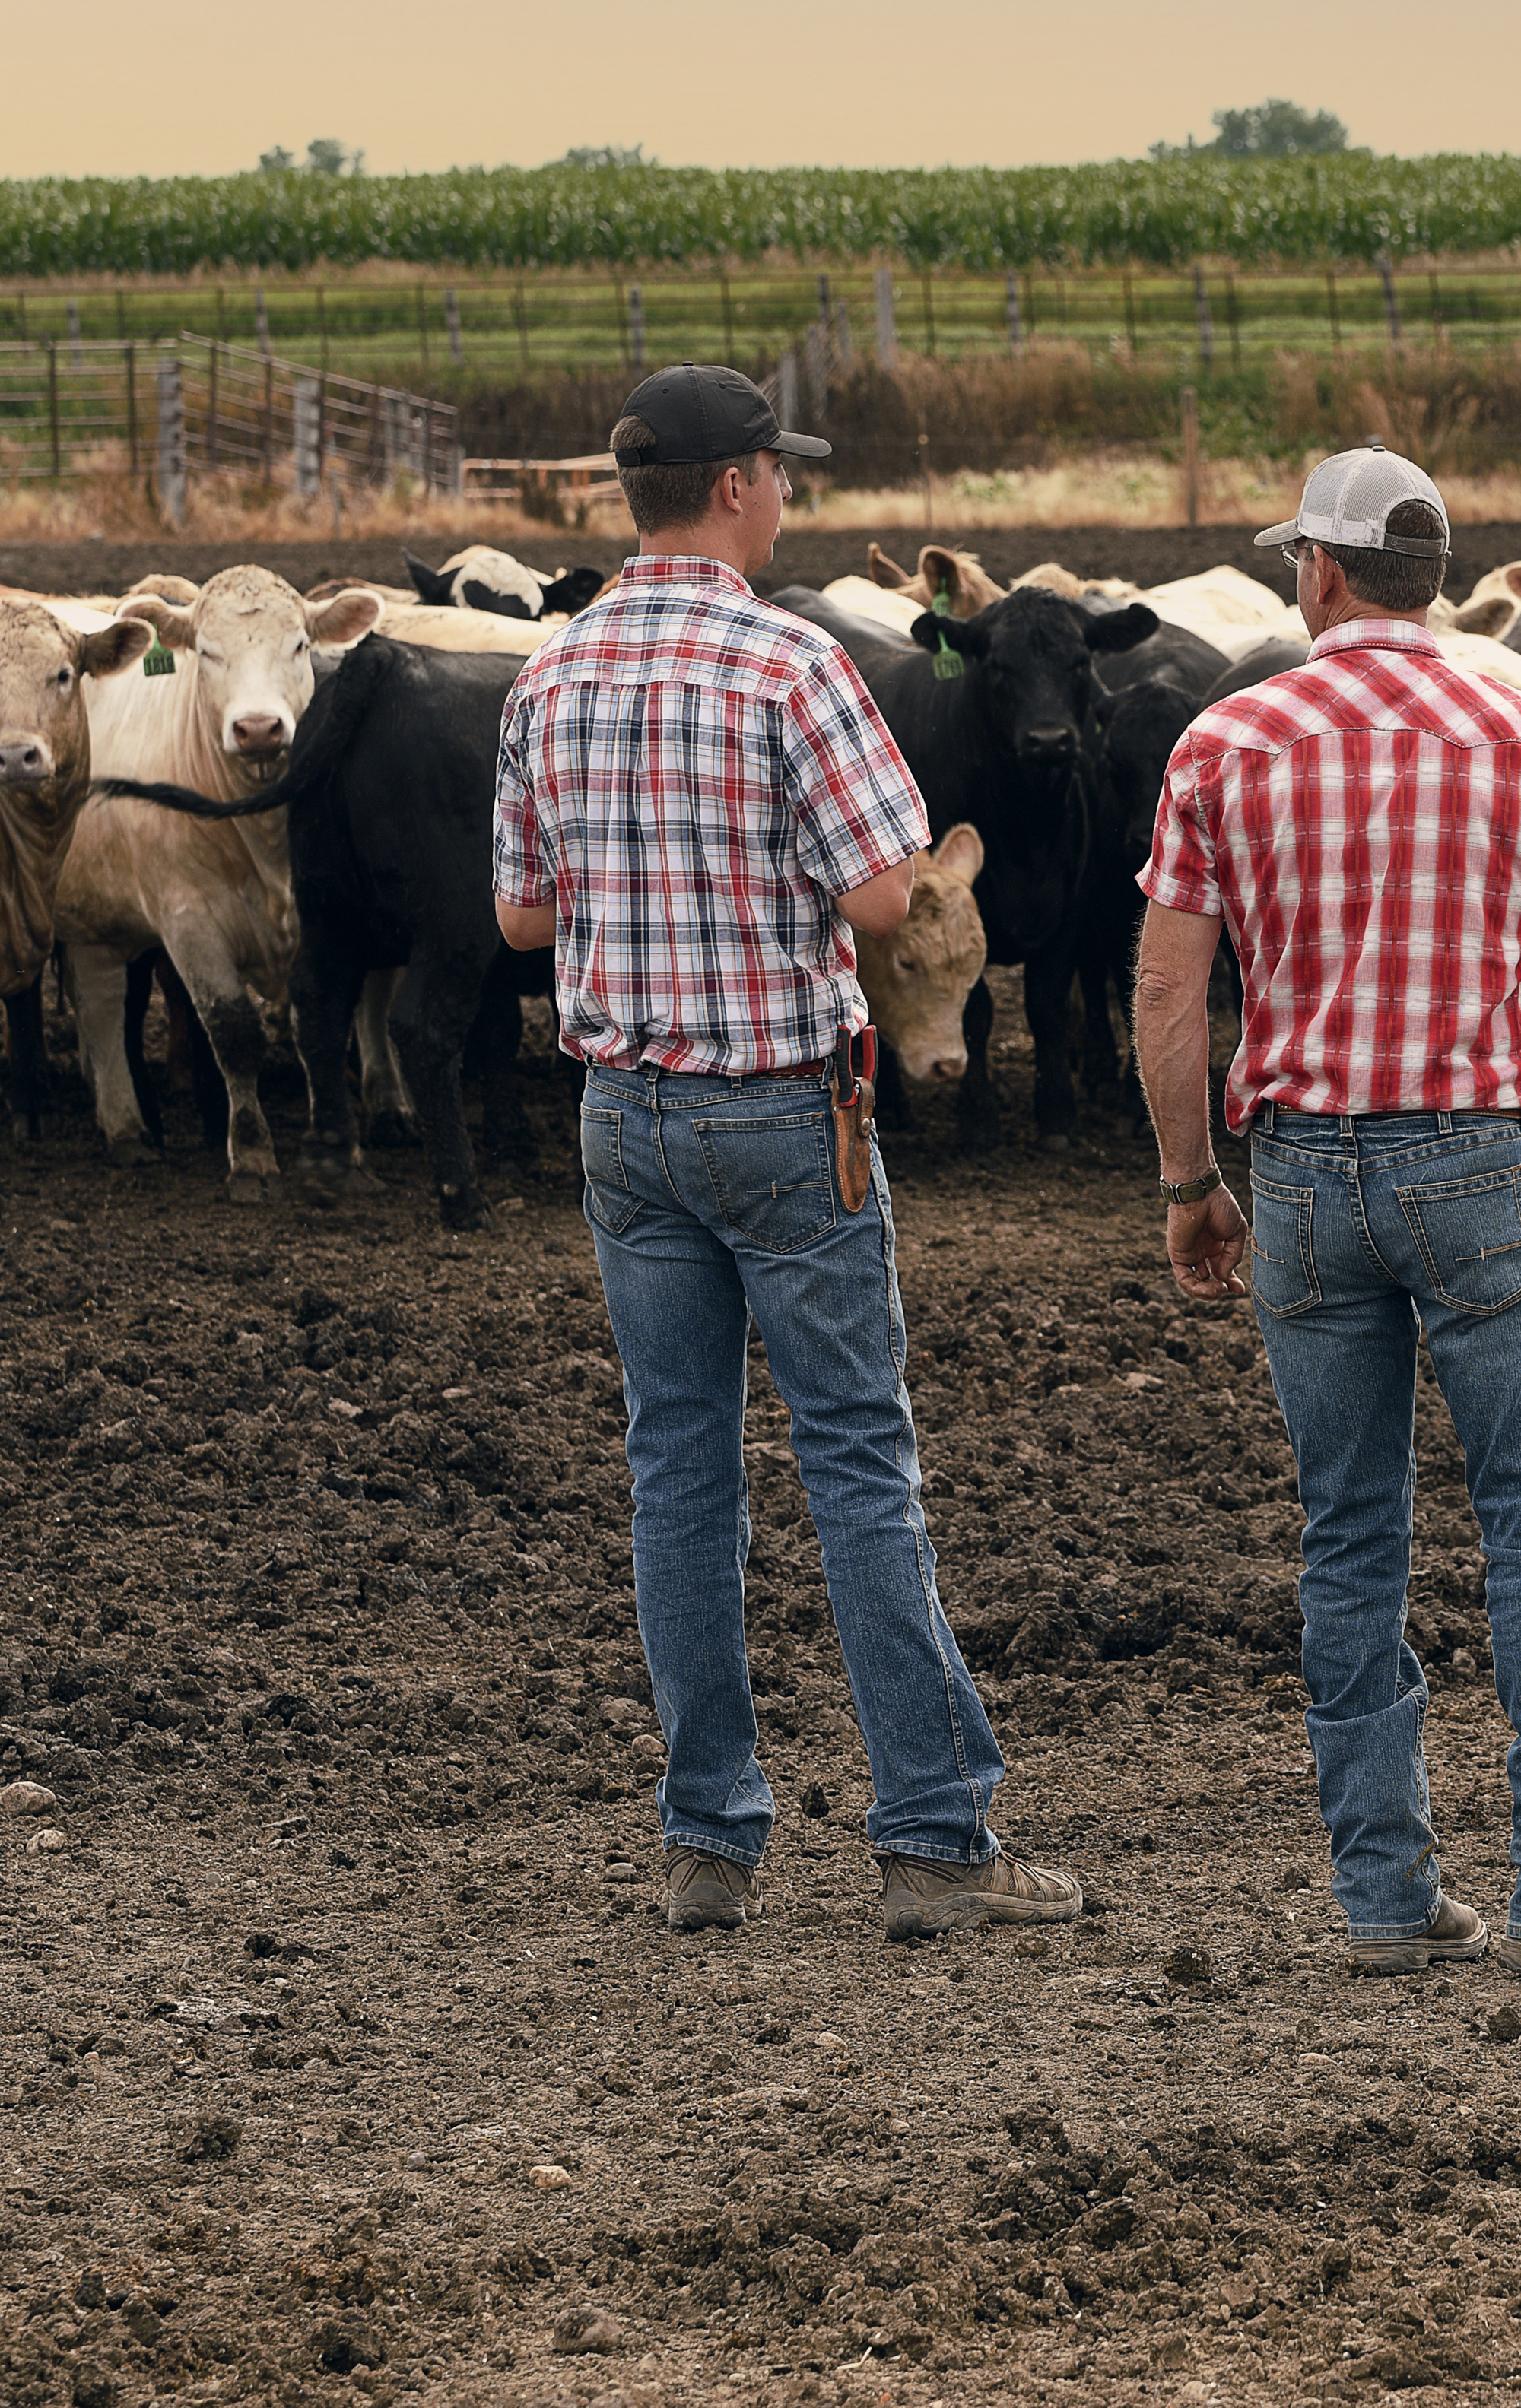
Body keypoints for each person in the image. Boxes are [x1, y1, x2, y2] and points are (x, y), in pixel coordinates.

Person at [1131, 447, 1521, 1982]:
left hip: (1300, 1167)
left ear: (1323, 574)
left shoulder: (1225, 740)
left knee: (1350, 1531)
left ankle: (1388, 1897)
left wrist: (1189, 1182)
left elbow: (1168, 984)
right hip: (1482, 1158)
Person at [490, 362, 1078, 1944]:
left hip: (627, 1114)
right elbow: (890, 899)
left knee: (678, 1468)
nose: (790, 496)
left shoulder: (553, 675)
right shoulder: (790, 664)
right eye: (783, 473)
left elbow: (522, 917)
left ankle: (707, 1840)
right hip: (781, 1107)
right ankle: (936, 1843)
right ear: (740, 483)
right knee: (858, 1465)